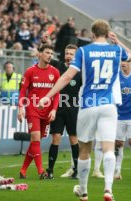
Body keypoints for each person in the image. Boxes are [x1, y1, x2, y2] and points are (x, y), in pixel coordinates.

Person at [39, 19, 131, 201]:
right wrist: (117, 41)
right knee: (108, 149)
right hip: (108, 105)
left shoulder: (84, 51)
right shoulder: (116, 50)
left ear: (92, 34)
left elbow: (67, 76)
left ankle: (83, 191)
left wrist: (48, 96)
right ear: (108, 34)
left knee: (85, 149)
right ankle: (108, 190)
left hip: (88, 104)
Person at [17, 44, 60, 179]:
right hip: (32, 109)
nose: (50, 56)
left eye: (51, 54)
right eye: (47, 53)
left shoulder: (55, 72)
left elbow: (57, 94)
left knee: (36, 141)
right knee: (35, 138)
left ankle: (23, 169)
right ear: (39, 54)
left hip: (47, 111)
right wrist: (20, 107)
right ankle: (41, 171)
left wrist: (53, 110)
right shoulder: (30, 71)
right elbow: (23, 91)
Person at [44, 44, 81, 180]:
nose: (69, 56)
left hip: (73, 109)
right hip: (57, 108)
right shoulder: (58, 66)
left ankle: (76, 170)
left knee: (73, 139)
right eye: (67, 53)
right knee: (56, 137)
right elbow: (43, 55)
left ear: (76, 56)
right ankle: (50, 171)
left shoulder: (80, 72)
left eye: (72, 54)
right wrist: (44, 42)